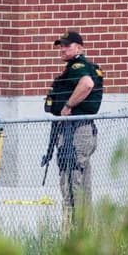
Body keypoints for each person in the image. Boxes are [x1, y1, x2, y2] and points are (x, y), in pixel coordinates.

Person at [41, 30, 103, 225]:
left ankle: (73, 230)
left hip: (75, 131)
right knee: (81, 182)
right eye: (61, 45)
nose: (62, 49)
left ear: (79, 47)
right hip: (78, 130)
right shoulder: (79, 67)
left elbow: (87, 84)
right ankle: (84, 228)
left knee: (71, 181)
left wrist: (68, 106)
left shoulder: (78, 66)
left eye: (67, 45)